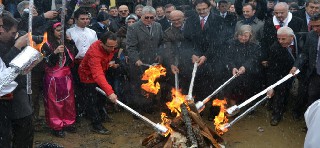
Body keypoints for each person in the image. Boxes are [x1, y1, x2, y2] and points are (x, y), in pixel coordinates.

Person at [41, 22, 78, 138]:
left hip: (67, 76)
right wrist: (55, 52)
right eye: (57, 30)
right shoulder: (46, 45)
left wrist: (71, 42)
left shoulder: (66, 43)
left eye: (62, 30)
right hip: (53, 78)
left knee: (69, 101)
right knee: (55, 102)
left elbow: (74, 55)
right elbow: (47, 62)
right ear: (52, 32)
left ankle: (68, 122)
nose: (60, 33)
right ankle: (56, 126)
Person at [78, 32, 118, 135]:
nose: (112, 49)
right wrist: (110, 92)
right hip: (87, 76)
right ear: (102, 44)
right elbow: (97, 74)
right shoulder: (94, 53)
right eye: (109, 47)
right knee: (92, 101)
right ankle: (96, 124)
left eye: (114, 46)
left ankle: (101, 114)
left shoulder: (110, 47)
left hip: (101, 72)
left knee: (101, 97)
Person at [126, 6, 163, 114]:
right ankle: (138, 109)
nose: (149, 20)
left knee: (151, 85)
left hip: (153, 63)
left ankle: (149, 106)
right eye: (146, 17)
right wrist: (136, 59)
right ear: (141, 16)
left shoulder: (158, 26)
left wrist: (160, 54)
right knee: (138, 86)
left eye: (152, 17)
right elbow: (130, 47)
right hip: (139, 63)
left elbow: (161, 42)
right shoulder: (133, 28)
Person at [66, 8, 98, 118]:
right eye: (82, 19)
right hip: (74, 63)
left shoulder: (92, 32)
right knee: (76, 88)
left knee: (89, 88)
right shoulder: (69, 32)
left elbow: (95, 49)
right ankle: (77, 112)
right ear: (76, 19)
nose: (85, 21)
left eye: (87, 19)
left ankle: (89, 112)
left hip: (89, 64)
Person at [266, 26, 299, 126]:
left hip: (303, 70)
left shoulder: (302, 39)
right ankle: (276, 115)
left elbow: (304, 54)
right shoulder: (274, 48)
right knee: (280, 93)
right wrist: (271, 86)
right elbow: (272, 70)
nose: (280, 41)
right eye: (279, 38)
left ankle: (296, 112)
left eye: (283, 39)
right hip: (283, 74)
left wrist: (297, 66)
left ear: (292, 37)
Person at [225, 25, 262, 108]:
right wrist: (233, 67)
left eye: (245, 36)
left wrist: (245, 67)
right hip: (233, 70)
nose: (242, 38)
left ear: (250, 36)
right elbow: (228, 57)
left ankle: (247, 105)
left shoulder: (255, 45)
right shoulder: (231, 43)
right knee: (233, 88)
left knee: (248, 88)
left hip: (249, 71)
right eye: (240, 35)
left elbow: (254, 58)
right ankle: (233, 106)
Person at [290, 14, 320, 108]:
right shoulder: (311, 35)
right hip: (315, 73)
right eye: (313, 26)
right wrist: (296, 66)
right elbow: (305, 53)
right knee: (312, 97)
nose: (315, 29)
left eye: (318, 26)